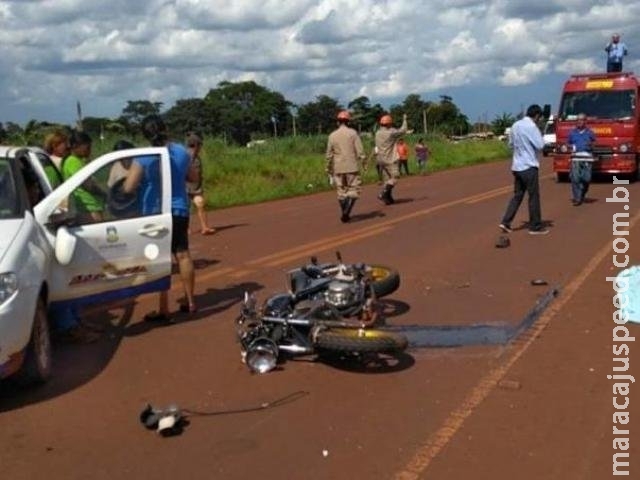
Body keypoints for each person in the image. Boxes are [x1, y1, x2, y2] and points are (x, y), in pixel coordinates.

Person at [132, 115, 198, 320]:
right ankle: (190, 302)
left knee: (160, 259)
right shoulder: (181, 152)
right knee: (183, 254)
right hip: (179, 210)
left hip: (154, 212)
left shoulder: (143, 156)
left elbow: (129, 186)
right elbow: (193, 178)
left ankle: (164, 308)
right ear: (165, 128)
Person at [499, 104, 549, 235]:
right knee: (533, 196)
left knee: (518, 195)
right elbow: (540, 145)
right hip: (529, 165)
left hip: (517, 166)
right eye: (539, 117)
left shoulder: (515, 125)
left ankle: (506, 221)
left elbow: (510, 144)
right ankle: (535, 226)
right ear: (537, 115)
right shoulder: (532, 127)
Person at [325, 110, 366, 223]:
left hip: (338, 167)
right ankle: (347, 211)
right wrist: (363, 162)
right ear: (348, 122)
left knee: (341, 191)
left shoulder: (332, 136)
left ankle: (345, 212)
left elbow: (329, 154)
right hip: (351, 166)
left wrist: (328, 168)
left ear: (338, 122)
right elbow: (360, 151)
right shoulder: (353, 133)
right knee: (354, 190)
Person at [61, 130, 105, 224]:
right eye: (87, 147)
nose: (89, 150)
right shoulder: (73, 161)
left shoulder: (79, 161)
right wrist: (104, 193)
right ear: (76, 146)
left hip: (91, 206)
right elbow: (88, 185)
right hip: (87, 208)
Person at [375, 113, 408, 204]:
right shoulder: (391, 133)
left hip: (380, 159)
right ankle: (383, 193)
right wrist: (404, 119)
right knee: (395, 177)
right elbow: (403, 130)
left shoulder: (377, 133)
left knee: (387, 179)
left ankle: (388, 198)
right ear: (389, 124)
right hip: (390, 159)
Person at [185, 132, 215, 235]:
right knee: (185, 208)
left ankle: (204, 227)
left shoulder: (195, 157)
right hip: (185, 186)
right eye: (199, 145)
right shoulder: (187, 156)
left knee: (200, 204)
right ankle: (186, 229)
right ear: (196, 145)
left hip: (195, 187)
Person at [568, 113, 596, 206]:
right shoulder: (572, 133)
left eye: (582, 120)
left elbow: (594, 144)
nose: (580, 122)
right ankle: (577, 198)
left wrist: (591, 145)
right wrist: (570, 148)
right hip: (576, 158)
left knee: (586, 178)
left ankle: (582, 192)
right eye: (578, 120)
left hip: (587, 158)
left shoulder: (590, 133)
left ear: (585, 121)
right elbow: (568, 144)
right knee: (575, 178)